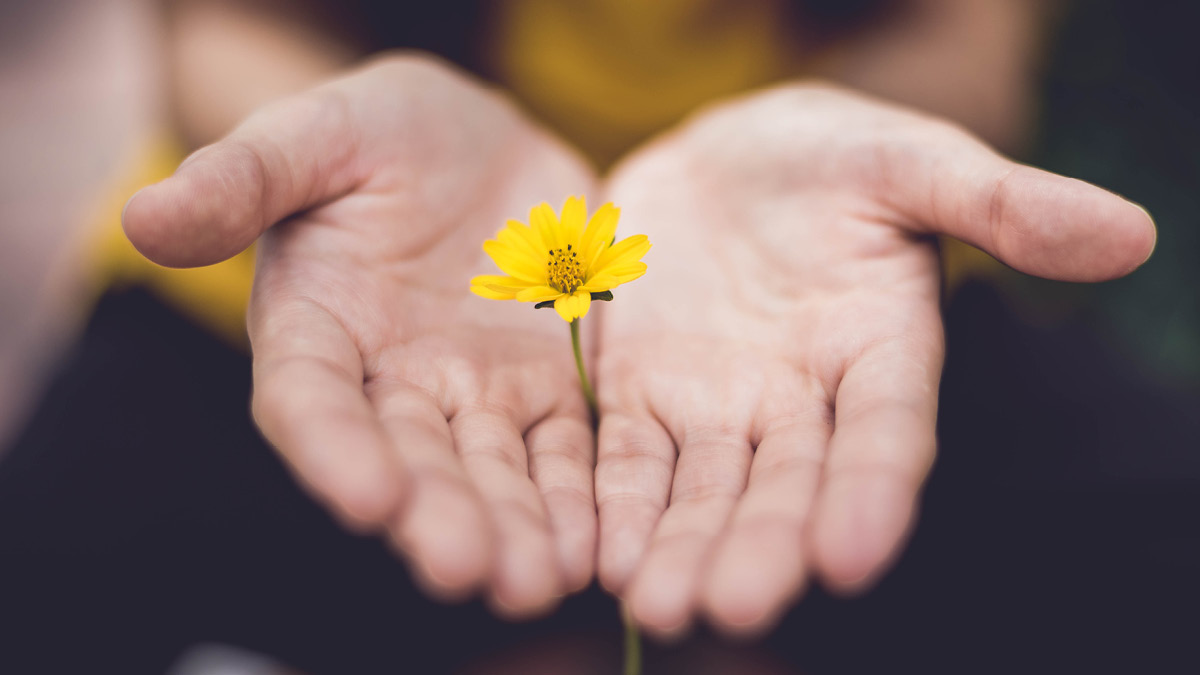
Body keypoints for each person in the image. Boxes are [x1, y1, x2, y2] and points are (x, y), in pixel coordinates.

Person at [4, 1, 1194, 672]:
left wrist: (849, 134)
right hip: (351, 279)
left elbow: (965, 42)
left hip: (810, 290)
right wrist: (318, 138)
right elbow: (210, 24)